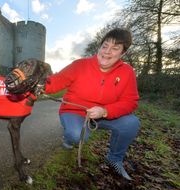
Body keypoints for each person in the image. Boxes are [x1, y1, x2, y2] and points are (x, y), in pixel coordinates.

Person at [44, 28, 140, 180]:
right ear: (99, 47)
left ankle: (114, 159)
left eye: (115, 48)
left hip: (105, 115)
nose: (107, 51)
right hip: (75, 112)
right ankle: (68, 139)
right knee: (76, 135)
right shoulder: (80, 65)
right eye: (105, 46)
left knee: (131, 123)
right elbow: (54, 82)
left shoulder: (127, 72)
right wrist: (36, 84)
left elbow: (130, 101)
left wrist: (105, 110)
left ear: (122, 53)